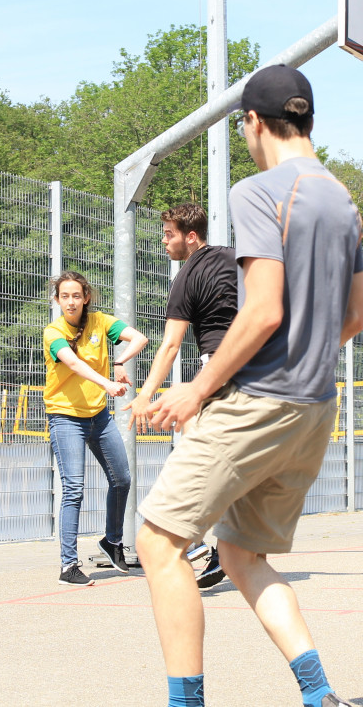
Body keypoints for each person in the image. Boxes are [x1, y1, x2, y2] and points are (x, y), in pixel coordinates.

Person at [137, 65, 363, 707]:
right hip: (315, 408)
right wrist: (304, 358)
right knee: (242, 556)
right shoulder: (342, 200)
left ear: (253, 123)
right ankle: (320, 697)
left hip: (261, 402)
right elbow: (353, 319)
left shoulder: (259, 191)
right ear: (310, 121)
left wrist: (197, 390)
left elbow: (262, 309)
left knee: (157, 541)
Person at [126, 201, 238, 590]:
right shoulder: (236, 258)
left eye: (169, 234)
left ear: (191, 237)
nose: (163, 241)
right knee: (226, 457)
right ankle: (225, 545)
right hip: (261, 367)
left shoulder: (186, 276)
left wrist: (145, 395)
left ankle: (189, 541)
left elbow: (171, 345)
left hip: (217, 370)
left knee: (196, 457)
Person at [43, 270, 148, 586]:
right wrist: (108, 383)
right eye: (65, 296)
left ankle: (112, 542)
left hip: (98, 417)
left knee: (122, 479)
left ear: (85, 297)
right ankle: (68, 565)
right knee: (73, 488)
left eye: (76, 295)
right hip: (65, 416)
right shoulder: (53, 331)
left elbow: (140, 338)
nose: (71, 301)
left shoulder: (101, 323)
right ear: (58, 300)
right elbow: (73, 364)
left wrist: (119, 363)